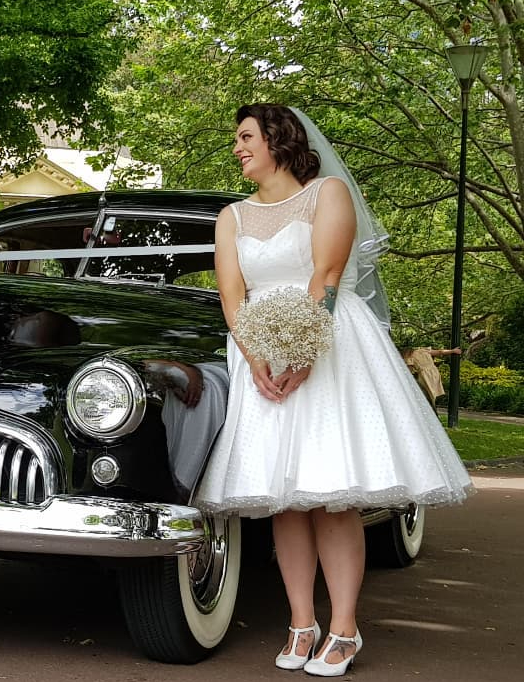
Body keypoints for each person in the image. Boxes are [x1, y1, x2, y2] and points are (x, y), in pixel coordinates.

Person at [194, 105, 474, 676]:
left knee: (332, 496)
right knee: (285, 500)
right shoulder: (231, 217)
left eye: (246, 137)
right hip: (260, 357)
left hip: (328, 348)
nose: (237, 148)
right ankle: (302, 622)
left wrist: (301, 354)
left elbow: (325, 276)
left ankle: (345, 628)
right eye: (236, 140)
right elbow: (231, 297)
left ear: (278, 139)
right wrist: (257, 361)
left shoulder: (328, 195)